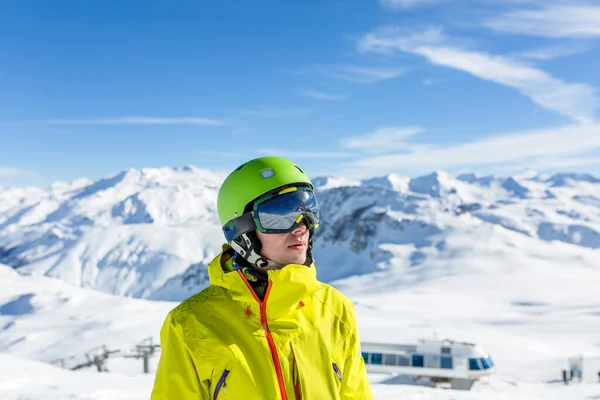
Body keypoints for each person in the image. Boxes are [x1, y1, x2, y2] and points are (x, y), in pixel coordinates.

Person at [151, 156, 373, 399]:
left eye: (307, 210)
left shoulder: (335, 309)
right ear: (242, 231)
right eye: (279, 215)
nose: (301, 226)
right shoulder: (190, 325)